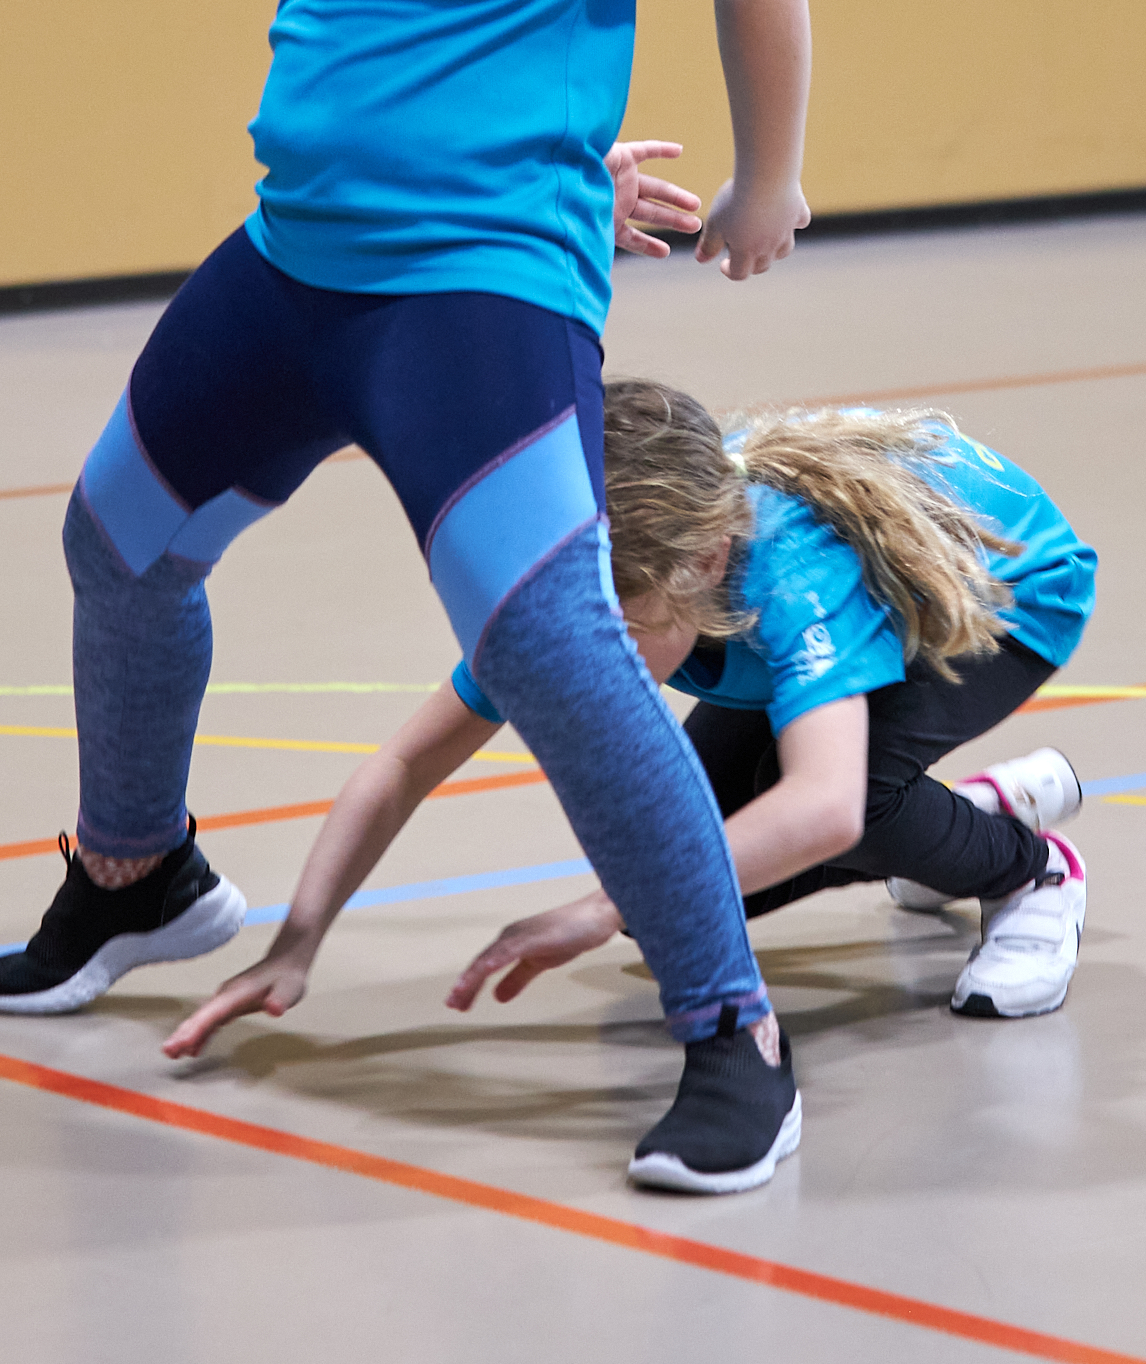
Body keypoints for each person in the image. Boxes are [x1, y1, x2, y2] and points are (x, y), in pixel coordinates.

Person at [0, 0, 813, 1196]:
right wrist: (553, 141)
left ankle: (733, 1028)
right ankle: (137, 875)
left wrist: (764, 183)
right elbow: (411, 13)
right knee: (118, 545)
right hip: (293, 268)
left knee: (550, 647)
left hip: (472, 296)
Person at [161, 389, 1095, 1161]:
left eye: (620, 626)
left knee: (849, 805)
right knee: (678, 894)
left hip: (999, 602)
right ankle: (960, 824)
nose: (587, 655)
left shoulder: (792, 575)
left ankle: (1028, 869)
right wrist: (296, 944)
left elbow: (823, 808)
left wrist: (602, 904)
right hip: (791, 629)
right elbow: (407, 761)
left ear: (704, 563)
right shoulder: (579, 585)